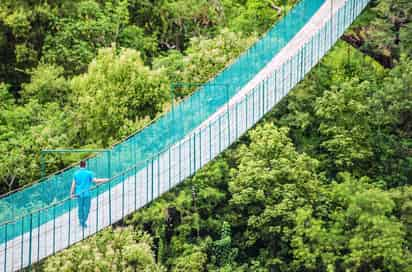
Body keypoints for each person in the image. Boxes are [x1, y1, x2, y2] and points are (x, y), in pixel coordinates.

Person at [70, 160, 109, 228]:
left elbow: (73, 184)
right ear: (86, 165)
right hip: (87, 194)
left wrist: (71, 193)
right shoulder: (89, 173)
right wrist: (105, 180)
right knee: (87, 209)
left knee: (80, 208)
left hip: (79, 194)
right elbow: (95, 181)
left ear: (79, 166)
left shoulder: (76, 174)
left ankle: (81, 222)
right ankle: (83, 222)